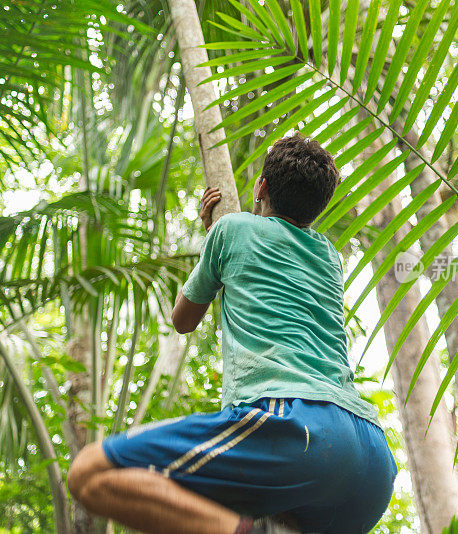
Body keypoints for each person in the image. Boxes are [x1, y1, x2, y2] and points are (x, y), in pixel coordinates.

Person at [67, 134, 397, 534]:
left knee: (89, 472)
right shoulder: (329, 256)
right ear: (318, 208)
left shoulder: (230, 230)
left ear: (261, 187)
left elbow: (183, 319)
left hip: (297, 427)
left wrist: (213, 237)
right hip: (371, 463)